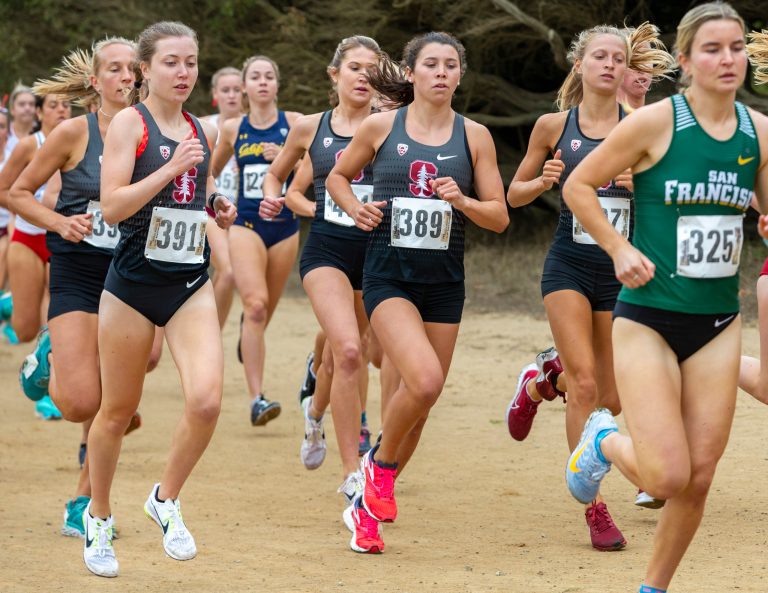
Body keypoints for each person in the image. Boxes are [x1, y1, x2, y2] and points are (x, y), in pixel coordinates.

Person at [563, 4, 768, 591]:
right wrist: (617, 249)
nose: (726, 59)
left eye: (735, 48)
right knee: (666, 473)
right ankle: (601, 438)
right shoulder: (655, 123)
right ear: (684, 60)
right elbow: (578, 185)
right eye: (711, 48)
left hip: (718, 323)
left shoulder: (759, 132)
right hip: (649, 318)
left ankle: (652, 588)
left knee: (698, 477)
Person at [326, 31, 508, 553]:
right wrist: (355, 208)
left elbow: (498, 217)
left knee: (420, 409)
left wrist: (464, 201)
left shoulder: (475, 137)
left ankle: (367, 503)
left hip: (445, 285)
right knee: (423, 382)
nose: (441, 73)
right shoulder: (382, 126)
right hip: (389, 277)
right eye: (431, 64)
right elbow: (338, 177)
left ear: (460, 75)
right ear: (410, 73)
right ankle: (376, 472)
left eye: (451, 65)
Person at [503, 23, 673, 550]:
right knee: (584, 386)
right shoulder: (554, 125)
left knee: (611, 397)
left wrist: (639, 183)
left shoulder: (645, 126)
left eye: (617, 59)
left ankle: (538, 382)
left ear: (626, 70)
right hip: (569, 268)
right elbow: (512, 196)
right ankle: (595, 508)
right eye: (598, 56)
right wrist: (543, 180)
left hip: (620, 272)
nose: (608, 65)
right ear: (579, 65)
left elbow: (668, 201)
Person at [83, 21, 236, 578]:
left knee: (207, 401)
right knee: (116, 413)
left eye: (191, 62)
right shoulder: (130, 122)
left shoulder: (202, 127)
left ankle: (164, 499)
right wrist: (171, 167)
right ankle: (98, 516)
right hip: (132, 286)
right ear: (145, 69)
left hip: (188, 282)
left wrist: (216, 204)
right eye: (172, 61)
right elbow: (115, 206)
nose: (184, 72)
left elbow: (199, 189)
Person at [9, 38, 137, 538]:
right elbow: (14, 192)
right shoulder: (72, 133)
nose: (126, 77)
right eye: (115, 69)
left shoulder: (157, 133)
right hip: (80, 272)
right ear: (96, 81)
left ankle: (85, 500)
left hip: (134, 275)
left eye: (134, 69)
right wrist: (58, 225)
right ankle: (51, 353)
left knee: (118, 401)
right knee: (83, 402)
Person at [259, 37, 384, 528]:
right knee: (348, 350)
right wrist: (279, 200)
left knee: (347, 354)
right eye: (354, 68)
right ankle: (353, 472)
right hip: (328, 250)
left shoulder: (392, 126)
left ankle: (314, 414)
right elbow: (277, 178)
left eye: (372, 70)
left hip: (377, 254)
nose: (363, 77)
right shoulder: (310, 128)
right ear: (334, 74)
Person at [211, 55, 301, 426]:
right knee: (257, 306)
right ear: (245, 87)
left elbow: (319, 171)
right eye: (255, 77)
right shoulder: (233, 129)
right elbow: (210, 173)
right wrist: (217, 201)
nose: (262, 82)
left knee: (261, 315)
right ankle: (256, 399)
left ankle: (249, 339)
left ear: (277, 84)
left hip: (285, 226)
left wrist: (286, 160)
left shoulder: (295, 124)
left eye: (269, 76)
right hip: (245, 224)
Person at [202, 67, 240, 327]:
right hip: (210, 209)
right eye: (225, 90)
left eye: (237, 90)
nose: (232, 96)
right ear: (215, 94)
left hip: (244, 213)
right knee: (227, 271)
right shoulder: (203, 125)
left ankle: (215, 328)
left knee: (237, 279)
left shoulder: (254, 128)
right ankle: (209, 331)